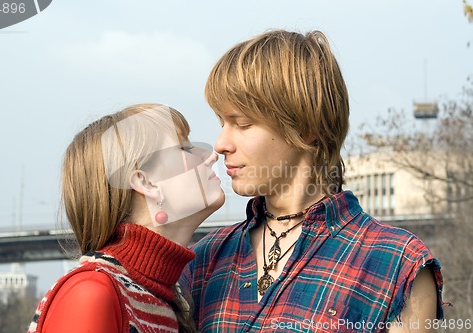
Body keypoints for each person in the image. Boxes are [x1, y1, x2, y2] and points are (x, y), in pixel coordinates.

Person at [180, 29, 447, 332]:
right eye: (222, 123)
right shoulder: (205, 258)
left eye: (243, 123)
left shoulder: (397, 264)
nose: (220, 143)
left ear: (306, 128)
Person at [28, 104, 225, 333]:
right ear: (146, 183)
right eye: (185, 148)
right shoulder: (91, 292)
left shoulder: (167, 299)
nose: (212, 155)